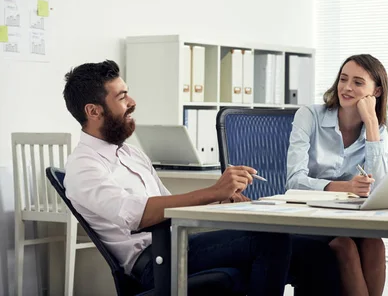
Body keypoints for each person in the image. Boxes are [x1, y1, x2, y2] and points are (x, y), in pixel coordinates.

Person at [62, 60, 339, 296]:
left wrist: (221, 201)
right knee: (269, 240)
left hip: (180, 245)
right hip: (154, 264)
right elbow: (138, 216)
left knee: (316, 251)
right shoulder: (83, 168)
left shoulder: (131, 153)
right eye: (121, 97)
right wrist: (213, 191)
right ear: (93, 111)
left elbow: (170, 205)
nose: (132, 102)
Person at [287, 54, 388, 296]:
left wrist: (372, 125)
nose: (347, 87)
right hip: (307, 219)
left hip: (349, 220)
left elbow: (380, 189)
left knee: (375, 243)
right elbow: (294, 181)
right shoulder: (309, 116)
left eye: (358, 82)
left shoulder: (378, 130)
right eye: (343, 79)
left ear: (375, 92)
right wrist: (347, 187)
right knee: (344, 246)